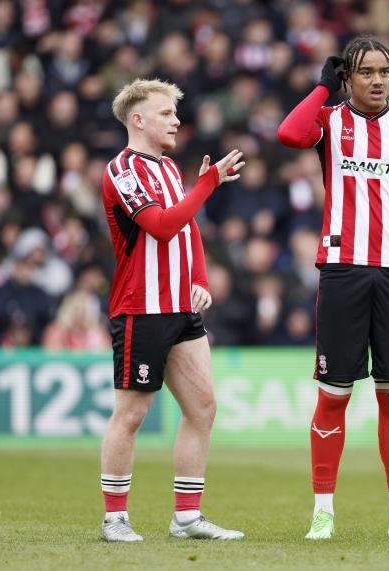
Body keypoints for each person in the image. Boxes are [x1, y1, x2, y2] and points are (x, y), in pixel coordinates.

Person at [277, 36, 389, 541]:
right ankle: (323, 512)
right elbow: (288, 134)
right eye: (365, 72)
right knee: (335, 396)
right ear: (348, 78)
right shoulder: (329, 119)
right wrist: (321, 88)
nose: (377, 80)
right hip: (342, 271)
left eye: (384, 71)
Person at [99, 78, 245, 542]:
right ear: (138, 120)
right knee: (132, 414)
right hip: (141, 307)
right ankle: (114, 519)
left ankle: (186, 518)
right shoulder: (121, 170)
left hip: (182, 307)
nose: (176, 120)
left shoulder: (166, 169)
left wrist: (199, 280)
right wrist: (207, 184)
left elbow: (187, 230)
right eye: (166, 113)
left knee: (202, 407)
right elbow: (162, 226)